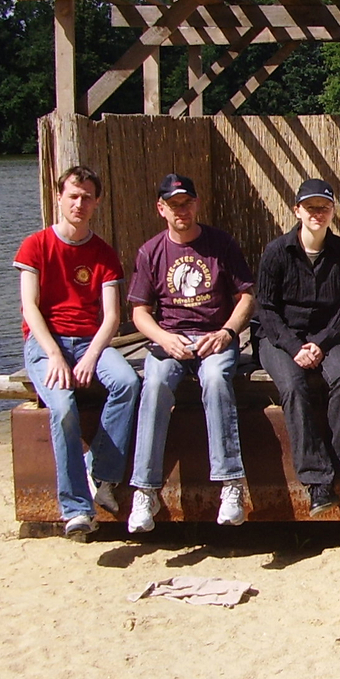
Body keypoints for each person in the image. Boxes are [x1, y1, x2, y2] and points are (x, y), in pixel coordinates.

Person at [15, 166, 139, 539]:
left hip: (89, 341)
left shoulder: (103, 253)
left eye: (86, 197)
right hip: (45, 342)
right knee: (64, 408)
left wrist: (90, 356)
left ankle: (101, 470)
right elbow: (30, 308)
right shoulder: (35, 246)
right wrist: (54, 354)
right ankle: (76, 510)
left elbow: (112, 316)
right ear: (59, 197)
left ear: (97, 201)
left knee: (127, 382)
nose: (79, 204)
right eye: (72, 195)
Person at [126, 173, 256, 532]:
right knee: (154, 385)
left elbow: (246, 297)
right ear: (161, 208)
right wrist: (164, 339)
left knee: (215, 380)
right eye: (173, 205)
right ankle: (145, 491)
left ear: (196, 204)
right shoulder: (150, 251)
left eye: (186, 203)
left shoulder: (220, 244)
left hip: (214, 337)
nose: (180, 210)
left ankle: (230, 484)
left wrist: (227, 332)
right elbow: (139, 312)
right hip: (171, 339)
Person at [256, 179, 340, 517]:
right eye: (311, 207)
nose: (318, 213)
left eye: (324, 207)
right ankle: (317, 480)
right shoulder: (277, 252)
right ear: (297, 210)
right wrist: (294, 346)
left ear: (333, 211)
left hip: (326, 334)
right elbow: (265, 308)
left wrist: (320, 343)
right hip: (279, 336)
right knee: (293, 385)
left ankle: (338, 467)